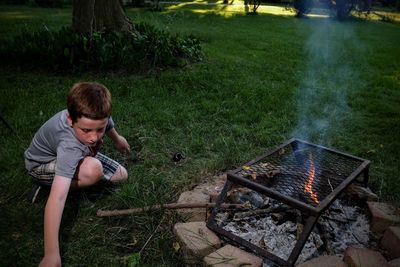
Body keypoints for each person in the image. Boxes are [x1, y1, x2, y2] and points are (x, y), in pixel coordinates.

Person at [24, 82, 130, 267]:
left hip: (78, 156)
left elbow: (108, 123)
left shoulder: (96, 116)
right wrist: (51, 254)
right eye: (86, 130)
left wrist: (117, 139)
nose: (94, 137)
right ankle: (45, 185)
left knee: (121, 175)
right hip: (41, 165)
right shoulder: (69, 145)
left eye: (99, 129)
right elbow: (58, 199)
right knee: (93, 171)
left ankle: (77, 178)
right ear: (70, 121)